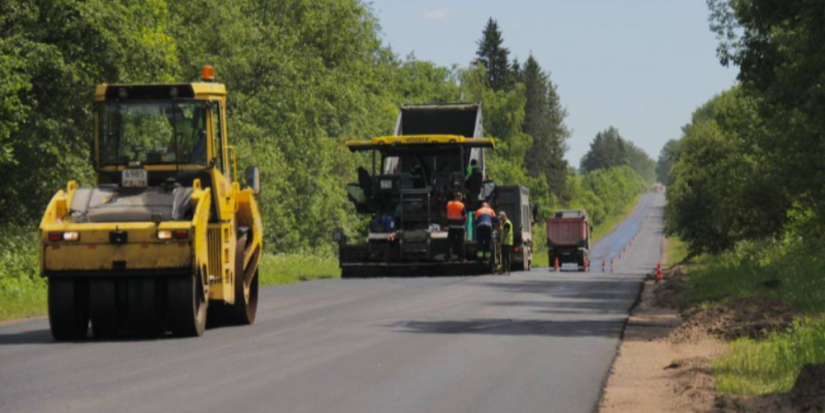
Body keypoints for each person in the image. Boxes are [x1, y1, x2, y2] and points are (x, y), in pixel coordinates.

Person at [446, 192, 466, 262]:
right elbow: (464, 216)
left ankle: (448, 257)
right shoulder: (461, 205)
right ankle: (462, 258)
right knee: (461, 243)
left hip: (451, 226)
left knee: (449, 243)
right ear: (460, 197)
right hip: (460, 227)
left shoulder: (449, 204)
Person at [499, 211, 513, 275]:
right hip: (505, 243)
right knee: (503, 257)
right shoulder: (505, 223)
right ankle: (504, 270)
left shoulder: (507, 223)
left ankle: (507, 270)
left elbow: (505, 233)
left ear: (504, 216)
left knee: (506, 257)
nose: (500, 219)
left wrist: (501, 242)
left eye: (501, 218)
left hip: (507, 243)